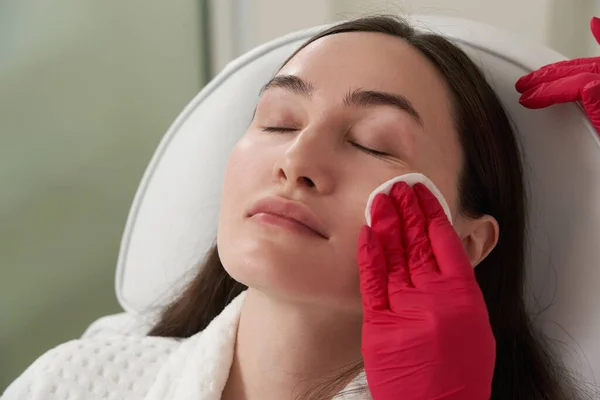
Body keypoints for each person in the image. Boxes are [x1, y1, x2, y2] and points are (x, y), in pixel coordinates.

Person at [2, 14, 596, 400]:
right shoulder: (75, 382)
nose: (298, 160)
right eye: (278, 122)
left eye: (372, 142)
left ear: (467, 244)